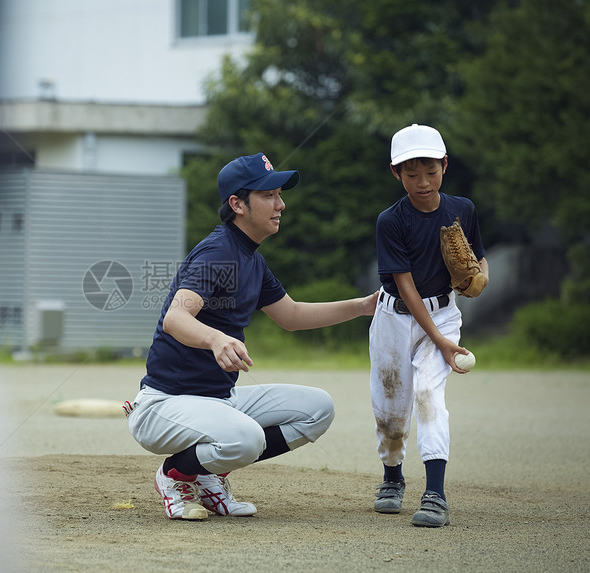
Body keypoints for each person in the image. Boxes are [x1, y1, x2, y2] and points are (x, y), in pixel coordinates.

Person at [125, 152, 378, 520]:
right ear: (237, 204)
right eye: (269, 195)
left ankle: (208, 475)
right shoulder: (219, 253)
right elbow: (175, 318)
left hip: (218, 401)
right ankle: (176, 475)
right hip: (166, 405)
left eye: (279, 195)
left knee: (318, 409)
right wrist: (215, 339)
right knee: (247, 438)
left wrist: (363, 306)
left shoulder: (251, 259)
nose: (281, 204)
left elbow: (290, 315)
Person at [368, 124, 489, 528]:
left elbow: (477, 258)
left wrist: (482, 278)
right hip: (395, 317)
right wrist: (439, 341)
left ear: (445, 165)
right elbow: (405, 285)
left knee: (427, 393)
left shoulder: (463, 209)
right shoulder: (391, 220)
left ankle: (435, 494)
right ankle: (392, 476)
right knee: (390, 410)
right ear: (395, 173)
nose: (422, 182)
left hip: (443, 314)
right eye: (411, 173)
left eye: (431, 171)